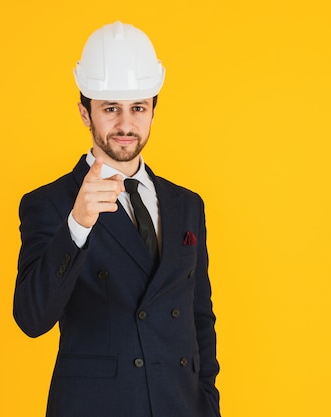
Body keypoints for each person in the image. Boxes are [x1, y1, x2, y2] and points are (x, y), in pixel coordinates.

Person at [13, 21, 220, 417]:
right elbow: (31, 317)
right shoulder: (51, 203)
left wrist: (207, 403)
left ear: (153, 110)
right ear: (85, 113)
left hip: (180, 406)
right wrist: (77, 225)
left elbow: (199, 317)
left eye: (138, 108)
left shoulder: (186, 204)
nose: (126, 125)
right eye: (110, 109)